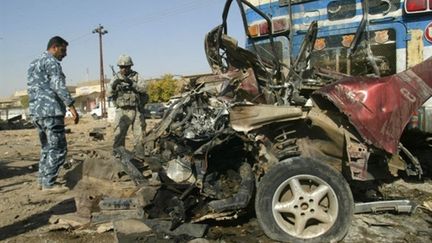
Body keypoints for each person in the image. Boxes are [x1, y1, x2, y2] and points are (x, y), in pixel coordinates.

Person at [27, 36, 79, 193]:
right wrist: (71, 106)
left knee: (46, 147)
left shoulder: (34, 63)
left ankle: (42, 180)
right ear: (54, 47)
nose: (65, 54)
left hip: (37, 112)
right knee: (59, 148)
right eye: (63, 50)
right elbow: (58, 85)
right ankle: (49, 183)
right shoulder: (51, 62)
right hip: (51, 111)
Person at [108, 54, 147, 158]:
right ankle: (118, 157)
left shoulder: (136, 76)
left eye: (126, 67)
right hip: (122, 111)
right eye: (121, 67)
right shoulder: (115, 77)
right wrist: (114, 85)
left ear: (130, 66)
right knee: (119, 135)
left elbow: (143, 89)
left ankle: (139, 157)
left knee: (139, 136)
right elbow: (108, 93)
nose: (124, 69)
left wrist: (132, 84)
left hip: (136, 110)